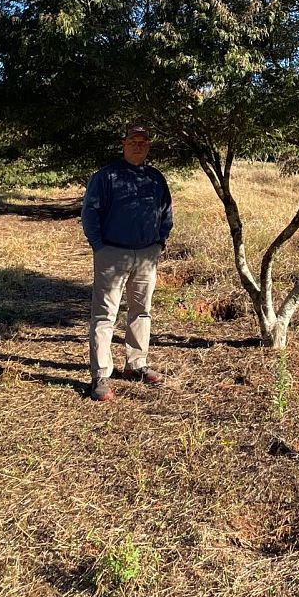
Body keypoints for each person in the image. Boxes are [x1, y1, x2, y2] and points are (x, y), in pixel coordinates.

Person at [81, 123, 173, 401]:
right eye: (133, 140)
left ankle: (136, 365)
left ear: (149, 146)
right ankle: (100, 375)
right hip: (112, 254)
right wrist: (99, 248)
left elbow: (166, 211)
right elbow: (90, 213)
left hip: (147, 255)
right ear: (123, 143)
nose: (138, 145)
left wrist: (159, 242)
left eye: (143, 142)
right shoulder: (106, 176)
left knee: (141, 311)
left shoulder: (155, 178)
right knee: (105, 315)